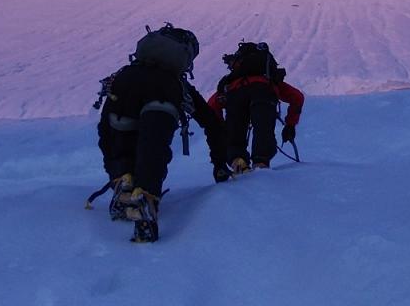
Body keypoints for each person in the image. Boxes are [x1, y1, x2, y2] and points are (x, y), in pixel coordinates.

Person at [95, 24, 230, 243]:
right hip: (163, 92)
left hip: (123, 87)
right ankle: (145, 198)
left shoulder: (125, 72)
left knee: (119, 135)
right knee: (153, 145)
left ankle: (123, 179)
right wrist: (220, 163)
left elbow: (105, 133)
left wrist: (113, 169)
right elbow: (211, 123)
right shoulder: (175, 81)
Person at [208, 41, 304, 174]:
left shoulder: (232, 82)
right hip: (264, 94)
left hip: (236, 96)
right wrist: (290, 125)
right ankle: (260, 166)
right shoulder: (269, 79)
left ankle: (239, 165)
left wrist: (221, 127)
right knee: (263, 133)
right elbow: (297, 97)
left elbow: (212, 104)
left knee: (234, 140)